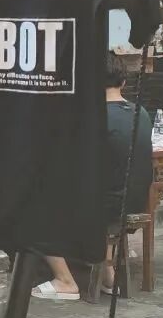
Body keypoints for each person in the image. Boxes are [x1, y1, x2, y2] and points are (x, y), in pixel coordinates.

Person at [33, 51, 154, 300]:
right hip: (134, 203)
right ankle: (108, 276)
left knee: (34, 206)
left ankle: (65, 281)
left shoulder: (93, 118)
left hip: (105, 206)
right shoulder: (141, 113)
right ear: (123, 82)